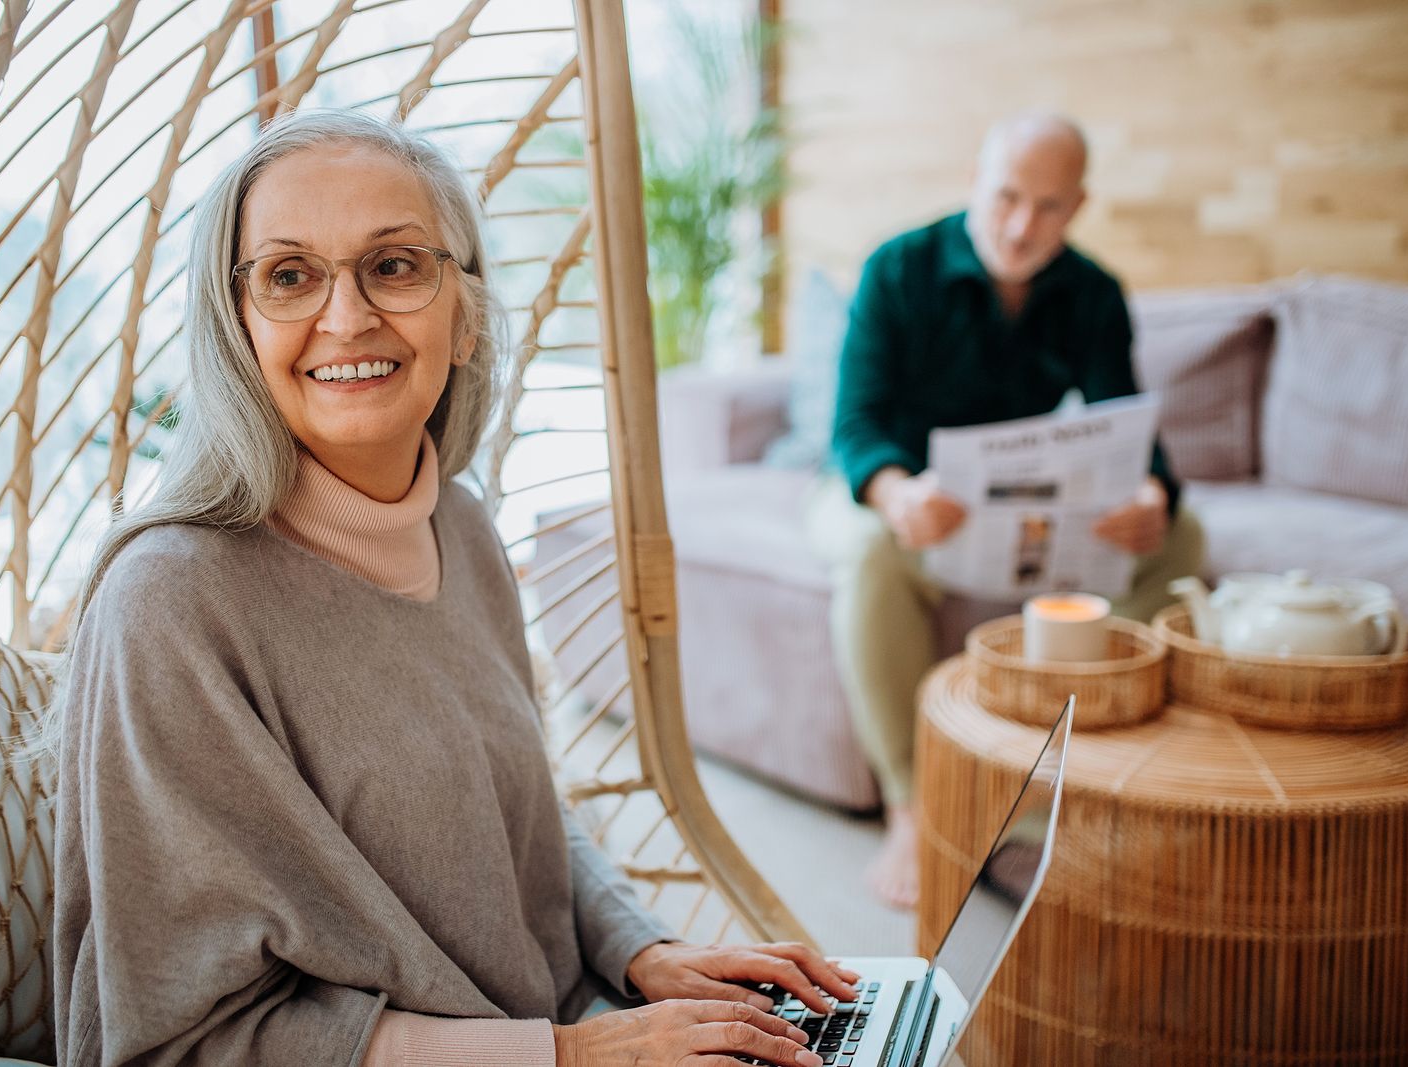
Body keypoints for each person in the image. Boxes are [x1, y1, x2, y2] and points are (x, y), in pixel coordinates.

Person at [49, 108, 856, 1067]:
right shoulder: (169, 607)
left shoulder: (461, 526)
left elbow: (520, 813)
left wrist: (643, 949)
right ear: (235, 327)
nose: (346, 318)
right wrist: (570, 1057)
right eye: (290, 275)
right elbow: (180, 1040)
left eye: (393, 265)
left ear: (464, 315)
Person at [806, 113, 1203, 910]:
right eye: (1008, 197)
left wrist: (1152, 494)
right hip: (902, 497)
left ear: (1079, 204)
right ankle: (911, 809)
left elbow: (1128, 429)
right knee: (871, 553)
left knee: (1183, 536)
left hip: (1020, 504)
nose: (1023, 226)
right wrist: (897, 492)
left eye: (1050, 206)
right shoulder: (896, 269)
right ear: (974, 182)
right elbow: (854, 426)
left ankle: (1038, 792)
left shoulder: (1093, 292)